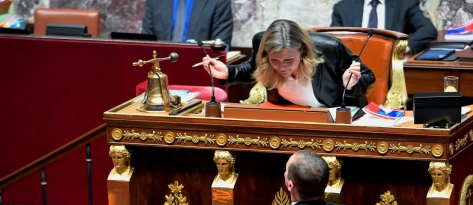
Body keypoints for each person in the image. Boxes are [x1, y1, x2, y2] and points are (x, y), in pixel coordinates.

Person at [202, 19, 375, 108]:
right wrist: (228, 73)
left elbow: (369, 76)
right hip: (293, 115)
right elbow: (252, 70)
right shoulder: (261, 43)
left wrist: (350, 85)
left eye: (288, 60)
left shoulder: (330, 48)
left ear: (302, 51)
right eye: (274, 60)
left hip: (333, 118)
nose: (282, 66)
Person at [330, 0, 438, 54]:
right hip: (353, 67)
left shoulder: (404, 4)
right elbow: (333, 41)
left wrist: (401, 48)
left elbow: (427, 30)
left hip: (390, 65)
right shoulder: (343, 8)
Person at [142, 0, 233, 46]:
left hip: (200, 72)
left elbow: (220, 45)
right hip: (159, 71)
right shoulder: (155, 1)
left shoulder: (219, 1)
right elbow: (145, 42)